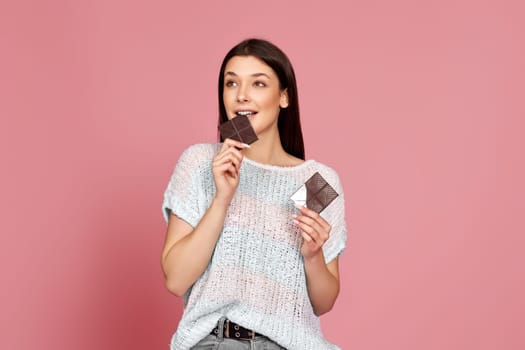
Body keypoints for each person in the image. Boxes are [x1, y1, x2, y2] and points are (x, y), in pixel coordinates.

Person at [161, 38, 347, 350]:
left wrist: (313, 255)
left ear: (284, 97)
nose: (242, 95)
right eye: (231, 83)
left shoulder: (315, 181)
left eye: (258, 83)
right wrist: (222, 197)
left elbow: (323, 303)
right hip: (218, 341)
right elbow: (176, 279)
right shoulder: (201, 163)